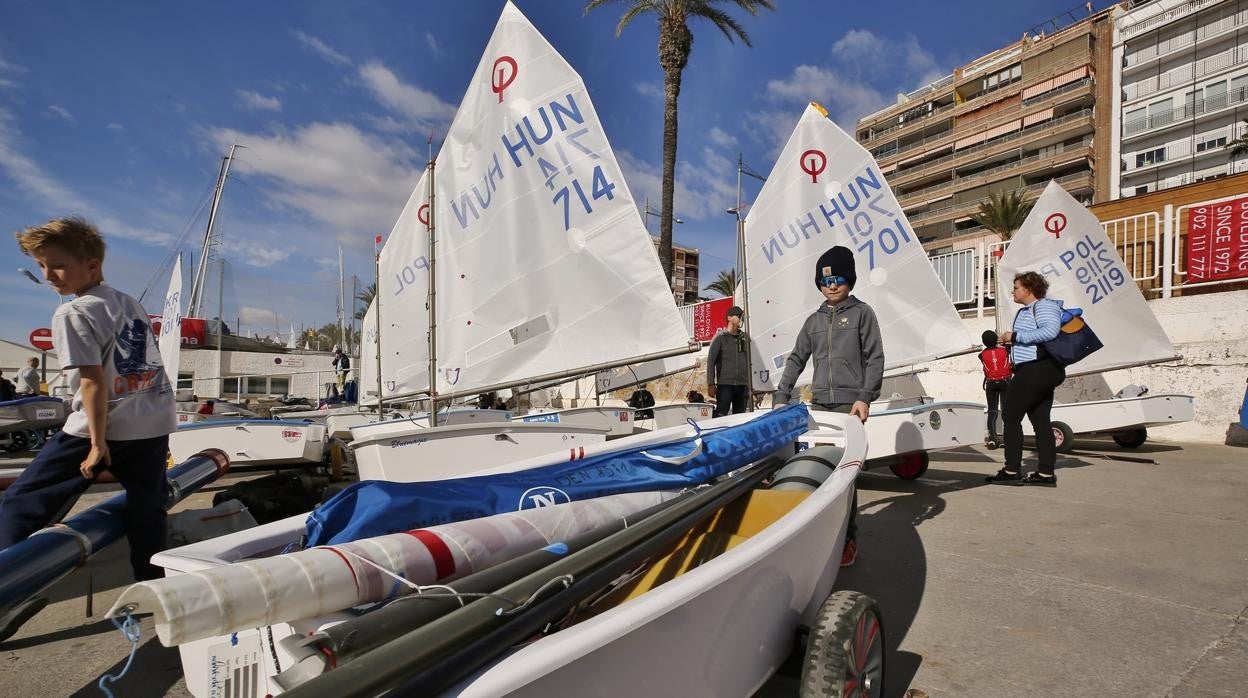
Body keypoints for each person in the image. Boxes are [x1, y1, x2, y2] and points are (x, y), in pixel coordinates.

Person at [1, 217, 176, 581]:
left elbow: (93, 383)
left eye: (58, 265)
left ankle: (7, 580)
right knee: (148, 511)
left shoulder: (74, 312)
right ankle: (155, 590)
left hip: (99, 429)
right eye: (41, 266)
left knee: (23, 500)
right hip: (152, 424)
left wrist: (97, 445)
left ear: (92, 265)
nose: (50, 275)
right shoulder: (129, 304)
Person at [773, 246, 884, 567]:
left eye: (838, 279)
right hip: (819, 405)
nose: (831, 285)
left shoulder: (863, 314)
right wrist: (781, 397)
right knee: (818, 469)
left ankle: (848, 538)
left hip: (850, 407)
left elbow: (875, 358)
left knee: (843, 475)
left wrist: (865, 396)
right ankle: (818, 531)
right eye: (825, 281)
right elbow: (796, 359)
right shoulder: (813, 321)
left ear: (849, 279)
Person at [986, 271, 1065, 487]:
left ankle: (1012, 470)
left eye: (1017, 287)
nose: (1013, 291)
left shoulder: (1044, 306)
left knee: (1010, 417)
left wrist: (1016, 337)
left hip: (1036, 369)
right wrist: (1011, 342)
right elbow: (1035, 337)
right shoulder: (1027, 311)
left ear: (1028, 289)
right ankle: (1046, 474)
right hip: (1039, 370)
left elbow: (1051, 331)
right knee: (1041, 422)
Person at [707, 306, 752, 416]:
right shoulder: (719, 337)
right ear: (729, 318)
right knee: (721, 417)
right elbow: (711, 361)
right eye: (739, 316)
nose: (741, 318)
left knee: (740, 418)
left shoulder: (745, 338)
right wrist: (711, 384)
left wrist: (750, 383)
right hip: (725, 385)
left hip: (742, 386)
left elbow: (749, 362)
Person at [978, 330, 1012, 449]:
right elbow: (1008, 345)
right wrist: (1002, 341)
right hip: (1005, 381)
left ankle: (992, 439)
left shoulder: (981, 355)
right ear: (995, 339)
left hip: (991, 383)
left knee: (992, 411)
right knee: (1006, 410)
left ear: (984, 342)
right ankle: (1007, 439)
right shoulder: (1005, 350)